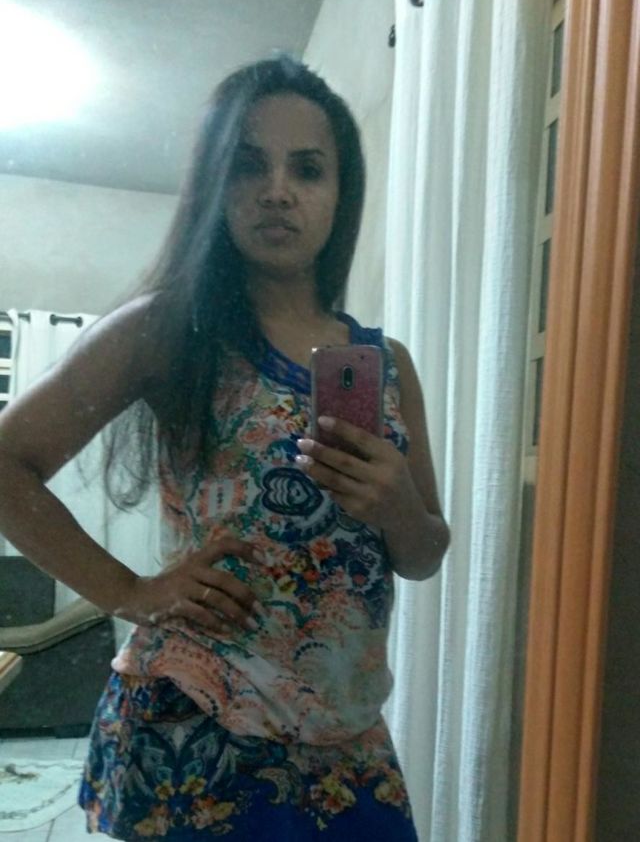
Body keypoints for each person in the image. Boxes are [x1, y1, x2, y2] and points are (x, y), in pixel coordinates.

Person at [0, 55, 450, 840]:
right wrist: (129, 592)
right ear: (215, 182)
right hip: (197, 726)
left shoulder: (387, 365)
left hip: (349, 742)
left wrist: (397, 506)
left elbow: (424, 553)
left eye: (306, 169)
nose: (277, 190)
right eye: (248, 165)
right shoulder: (167, 330)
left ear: (340, 194)